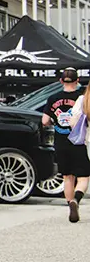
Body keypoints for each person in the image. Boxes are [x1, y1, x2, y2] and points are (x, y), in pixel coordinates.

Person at [42, 67, 90, 222]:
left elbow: (44, 121)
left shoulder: (53, 98)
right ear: (77, 80)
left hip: (60, 142)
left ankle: (70, 205)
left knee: (67, 177)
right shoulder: (82, 98)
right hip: (78, 141)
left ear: (61, 80)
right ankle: (76, 199)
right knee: (83, 177)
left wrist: (54, 122)